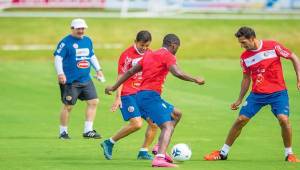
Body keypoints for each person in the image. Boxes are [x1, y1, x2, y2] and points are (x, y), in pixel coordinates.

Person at [105, 34, 205, 167]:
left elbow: (129, 73)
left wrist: (113, 87)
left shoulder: (148, 55)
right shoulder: (168, 55)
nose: (176, 50)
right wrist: (195, 79)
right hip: (149, 97)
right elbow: (177, 73)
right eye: (177, 48)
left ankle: (159, 147)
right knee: (167, 125)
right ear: (173, 45)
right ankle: (159, 158)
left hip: (142, 96)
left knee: (176, 114)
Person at [204, 26, 300, 162]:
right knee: (240, 120)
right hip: (257, 95)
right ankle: (223, 153)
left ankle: (289, 153)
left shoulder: (273, 46)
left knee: (284, 120)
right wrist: (239, 99)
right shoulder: (244, 57)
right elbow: (246, 79)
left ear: (252, 38)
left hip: (278, 93)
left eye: (243, 42)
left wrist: (299, 77)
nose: (242, 46)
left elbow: (293, 57)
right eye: (240, 43)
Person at [100, 30, 158, 160]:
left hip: (143, 94)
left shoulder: (151, 54)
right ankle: (109, 142)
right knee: (137, 124)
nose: (144, 48)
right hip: (128, 93)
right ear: (135, 41)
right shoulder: (126, 55)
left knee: (154, 123)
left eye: (147, 46)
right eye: (142, 45)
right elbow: (121, 76)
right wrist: (117, 97)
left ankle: (143, 151)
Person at [54, 18, 105, 139]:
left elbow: (91, 55)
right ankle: (63, 132)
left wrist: (99, 69)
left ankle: (88, 131)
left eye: (83, 28)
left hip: (85, 79)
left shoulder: (87, 41)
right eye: (78, 29)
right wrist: (60, 73)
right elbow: (58, 58)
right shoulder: (65, 42)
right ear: (72, 29)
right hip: (70, 81)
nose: (81, 31)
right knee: (68, 106)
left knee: (93, 101)